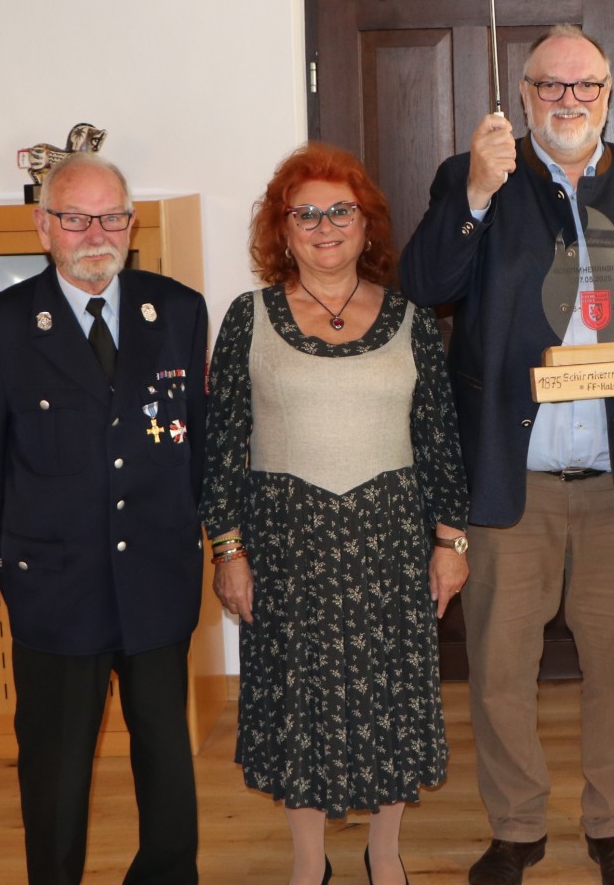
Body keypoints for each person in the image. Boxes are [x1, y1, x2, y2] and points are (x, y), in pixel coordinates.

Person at [400, 25, 614, 885]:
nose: (569, 102)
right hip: (512, 480)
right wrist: (473, 192)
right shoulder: (479, 179)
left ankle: (613, 825)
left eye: (586, 87)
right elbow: (426, 285)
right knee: (500, 670)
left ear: (610, 93)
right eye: (551, 87)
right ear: (524, 93)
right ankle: (515, 829)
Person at [201, 143, 471, 885]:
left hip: (389, 542)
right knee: (300, 708)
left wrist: (451, 542)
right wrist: (228, 551)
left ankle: (386, 859)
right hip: (286, 548)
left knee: (389, 701)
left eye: (340, 211)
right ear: (281, 231)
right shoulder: (246, 319)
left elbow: (441, 440)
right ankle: (307, 864)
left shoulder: (413, 320)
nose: (325, 226)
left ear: (367, 225)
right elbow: (222, 446)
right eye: (305, 213)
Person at [0, 153, 207, 885]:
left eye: (110, 218)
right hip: (56, 585)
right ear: (43, 226)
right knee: (57, 766)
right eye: (74, 218)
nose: (94, 234)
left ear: (131, 225)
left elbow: (196, 441)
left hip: (157, 576)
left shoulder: (178, 310)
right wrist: (11, 568)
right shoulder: (1, 326)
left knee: (166, 755)